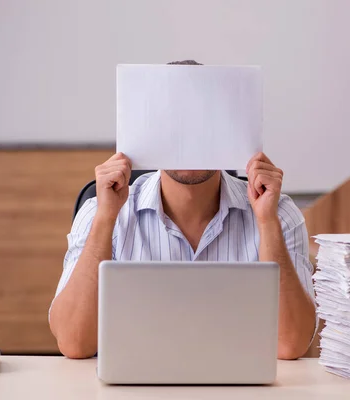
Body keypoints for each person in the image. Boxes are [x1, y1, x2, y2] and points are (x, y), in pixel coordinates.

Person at [49, 61, 316, 360]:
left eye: (202, 121)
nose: (189, 136)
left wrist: (267, 222)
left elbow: (291, 344)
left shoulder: (279, 214)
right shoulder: (101, 211)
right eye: (174, 121)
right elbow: (74, 342)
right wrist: (105, 218)